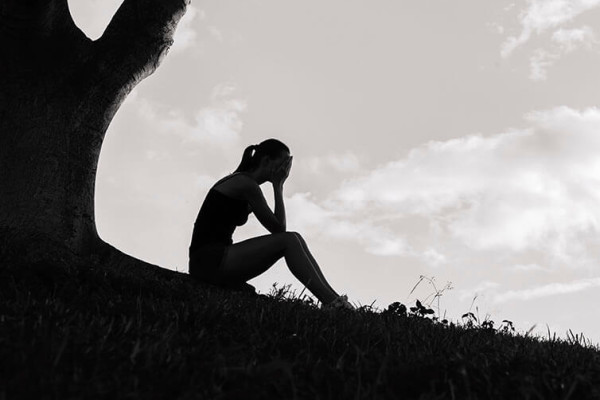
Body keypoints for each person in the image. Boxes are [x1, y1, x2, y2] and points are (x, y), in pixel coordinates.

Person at [189, 138, 354, 310]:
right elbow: (278, 229)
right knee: (289, 240)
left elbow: (278, 227)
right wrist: (278, 185)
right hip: (208, 260)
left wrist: (278, 184)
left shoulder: (247, 185)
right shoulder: (246, 184)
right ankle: (334, 304)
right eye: (282, 164)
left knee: (294, 238)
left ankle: (335, 300)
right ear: (267, 161)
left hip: (213, 259)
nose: (284, 171)